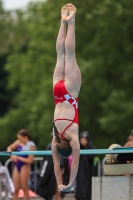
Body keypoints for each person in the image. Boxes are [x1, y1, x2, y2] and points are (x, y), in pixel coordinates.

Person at [52, 3, 82, 193]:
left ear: (69, 146)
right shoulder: (55, 137)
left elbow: (76, 162)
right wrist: (60, 183)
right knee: (60, 55)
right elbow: (56, 166)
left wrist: (71, 183)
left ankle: (71, 22)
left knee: (70, 55)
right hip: (57, 92)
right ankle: (62, 22)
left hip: (70, 94)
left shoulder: (73, 137)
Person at [7, 129, 36, 200]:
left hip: (25, 166)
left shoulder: (31, 145)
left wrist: (17, 157)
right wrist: (11, 155)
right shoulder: (18, 142)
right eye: (18, 138)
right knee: (16, 189)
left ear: (25, 137)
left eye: (20, 138)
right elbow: (9, 147)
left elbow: (30, 160)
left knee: (25, 188)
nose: (19, 140)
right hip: (17, 166)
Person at [75, 131, 95, 200]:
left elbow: (93, 156)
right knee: (80, 184)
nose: (83, 142)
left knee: (88, 185)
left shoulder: (91, 147)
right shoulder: (78, 147)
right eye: (82, 140)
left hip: (88, 170)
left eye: (85, 140)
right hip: (80, 170)